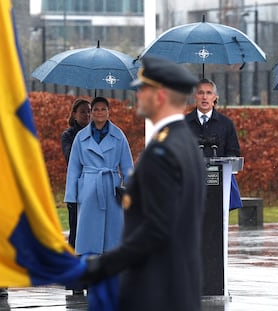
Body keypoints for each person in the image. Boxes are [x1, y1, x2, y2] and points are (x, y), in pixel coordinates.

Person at [79, 56, 206, 311]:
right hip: (179, 286)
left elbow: (156, 229)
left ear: (159, 96)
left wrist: (100, 266)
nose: (137, 95)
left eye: (142, 90)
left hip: (156, 290)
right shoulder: (185, 143)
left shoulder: (163, 151)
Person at [64, 96, 134, 261]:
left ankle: (111, 279)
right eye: (96, 109)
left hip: (111, 190)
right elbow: (74, 168)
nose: (100, 112)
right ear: (92, 113)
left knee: (113, 238)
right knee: (88, 238)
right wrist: (71, 196)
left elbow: (127, 167)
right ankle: (91, 277)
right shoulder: (81, 137)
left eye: (103, 109)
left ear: (109, 112)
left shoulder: (119, 136)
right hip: (88, 189)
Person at [185, 78, 242, 210]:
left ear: (215, 97)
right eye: (201, 93)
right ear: (195, 96)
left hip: (219, 187)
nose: (204, 97)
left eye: (209, 93)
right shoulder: (184, 124)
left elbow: (234, 152)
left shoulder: (226, 124)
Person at [61, 98, 90, 295]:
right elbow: (72, 158)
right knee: (76, 236)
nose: (87, 115)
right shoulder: (69, 135)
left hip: (95, 192)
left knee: (92, 236)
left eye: (89, 111)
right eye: (82, 112)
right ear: (74, 114)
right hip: (77, 192)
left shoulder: (99, 134)